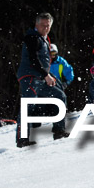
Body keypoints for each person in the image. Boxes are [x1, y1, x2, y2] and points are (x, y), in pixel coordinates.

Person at [15, 12, 68, 147]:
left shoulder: (43, 38)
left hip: (41, 77)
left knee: (59, 96)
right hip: (30, 77)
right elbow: (34, 59)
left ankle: (59, 130)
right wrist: (46, 75)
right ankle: (22, 139)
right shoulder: (32, 37)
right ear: (36, 25)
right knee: (28, 105)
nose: (45, 28)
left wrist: (49, 75)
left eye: (48, 26)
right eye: (43, 25)